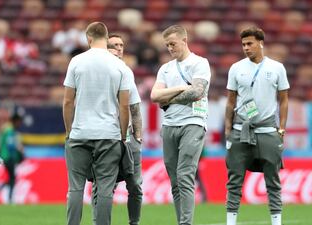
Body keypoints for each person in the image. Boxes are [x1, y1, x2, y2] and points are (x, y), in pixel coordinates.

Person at [63, 21, 131, 225]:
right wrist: (122, 135)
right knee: (104, 189)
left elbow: (67, 101)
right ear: (107, 37)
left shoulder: (76, 61)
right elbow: (124, 106)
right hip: (108, 134)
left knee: (75, 188)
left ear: (88, 38)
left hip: (79, 133)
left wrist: (69, 132)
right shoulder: (120, 65)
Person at [224, 27, 289, 225]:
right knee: (234, 180)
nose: (246, 48)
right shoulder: (236, 67)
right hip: (240, 130)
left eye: (250, 43)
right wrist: (228, 129)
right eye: (243, 44)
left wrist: (282, 129)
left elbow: (284, 100)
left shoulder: (277, 68)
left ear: (261, 43)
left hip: (268, 131)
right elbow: (230, 101)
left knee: (273, 181)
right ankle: (230, 222)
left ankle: (276, 222)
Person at [150, 25, 211, 225]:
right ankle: (181, 222)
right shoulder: (165, 68)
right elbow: (154, 96)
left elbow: (196, 92)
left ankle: (186, 223)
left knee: (185, 175)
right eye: (167, 45)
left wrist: (168, 99)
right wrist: (178, 89)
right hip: (169, 125)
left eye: (173, 44)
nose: (170, 48)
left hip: (193, 122)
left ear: (185, 41)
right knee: (175, 180)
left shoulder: (199, 63)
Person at [91, 34, 143, 225]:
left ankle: (134, 222)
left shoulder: (126, 71)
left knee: (135, 185)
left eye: (121, 45)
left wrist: (138, 135)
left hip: (128, 138)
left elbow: (134, 106)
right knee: (103, 186)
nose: (119, 48)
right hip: (104, 136)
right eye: (114, 45)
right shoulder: (95, 73)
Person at [0, 113, 24, 203]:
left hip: (5, 156)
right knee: (12, 178)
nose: (20, 124)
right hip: (9, 157)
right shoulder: (10, 130)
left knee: (11, 178)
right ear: (15, 121)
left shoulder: (7, 129)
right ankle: (10, 198)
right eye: (19, 122)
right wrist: (20, 151)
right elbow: (11, 145)